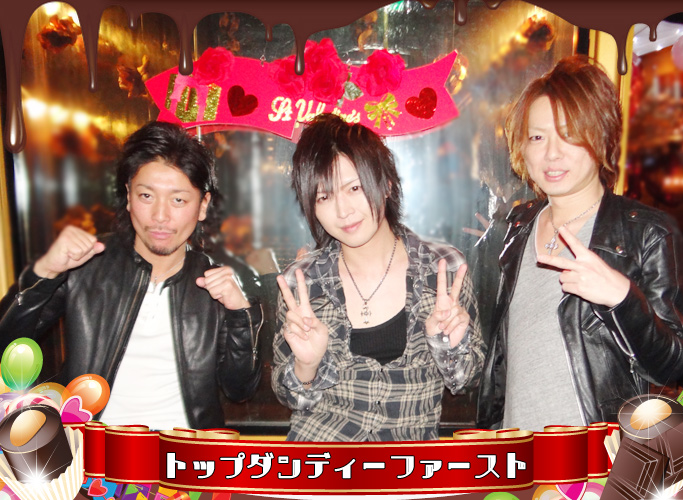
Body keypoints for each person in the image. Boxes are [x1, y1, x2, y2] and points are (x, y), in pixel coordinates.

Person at [0, 121, 262, 430]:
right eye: (146, 196)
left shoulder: (219, 283)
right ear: (128, 196)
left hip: (183, 452)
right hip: (92, 449)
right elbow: (7, 346)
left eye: (178, 200)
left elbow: (240, 389)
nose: (160, 216)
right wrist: (45, 272)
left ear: (202, 206)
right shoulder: (86, 265)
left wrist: (240, 313)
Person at [477, 57, 683, 431]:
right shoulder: (518, 226)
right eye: (538, 137)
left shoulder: (646, 232)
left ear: (602, 136)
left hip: (594, 457)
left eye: (570, 134)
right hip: (519, 452)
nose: (552, 153)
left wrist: (623, 300)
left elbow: (672, 366)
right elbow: (505, 357)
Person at [272, 113, 485, 441]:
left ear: (386, 184)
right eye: (324, 197)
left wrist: (447, 344)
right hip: (322, 462)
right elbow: (292, 398)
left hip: (408, 465)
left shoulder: (443, 270)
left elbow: (465, 381)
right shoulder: (301, 283)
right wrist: (307, 366)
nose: (343, 211)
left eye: (354, 188)